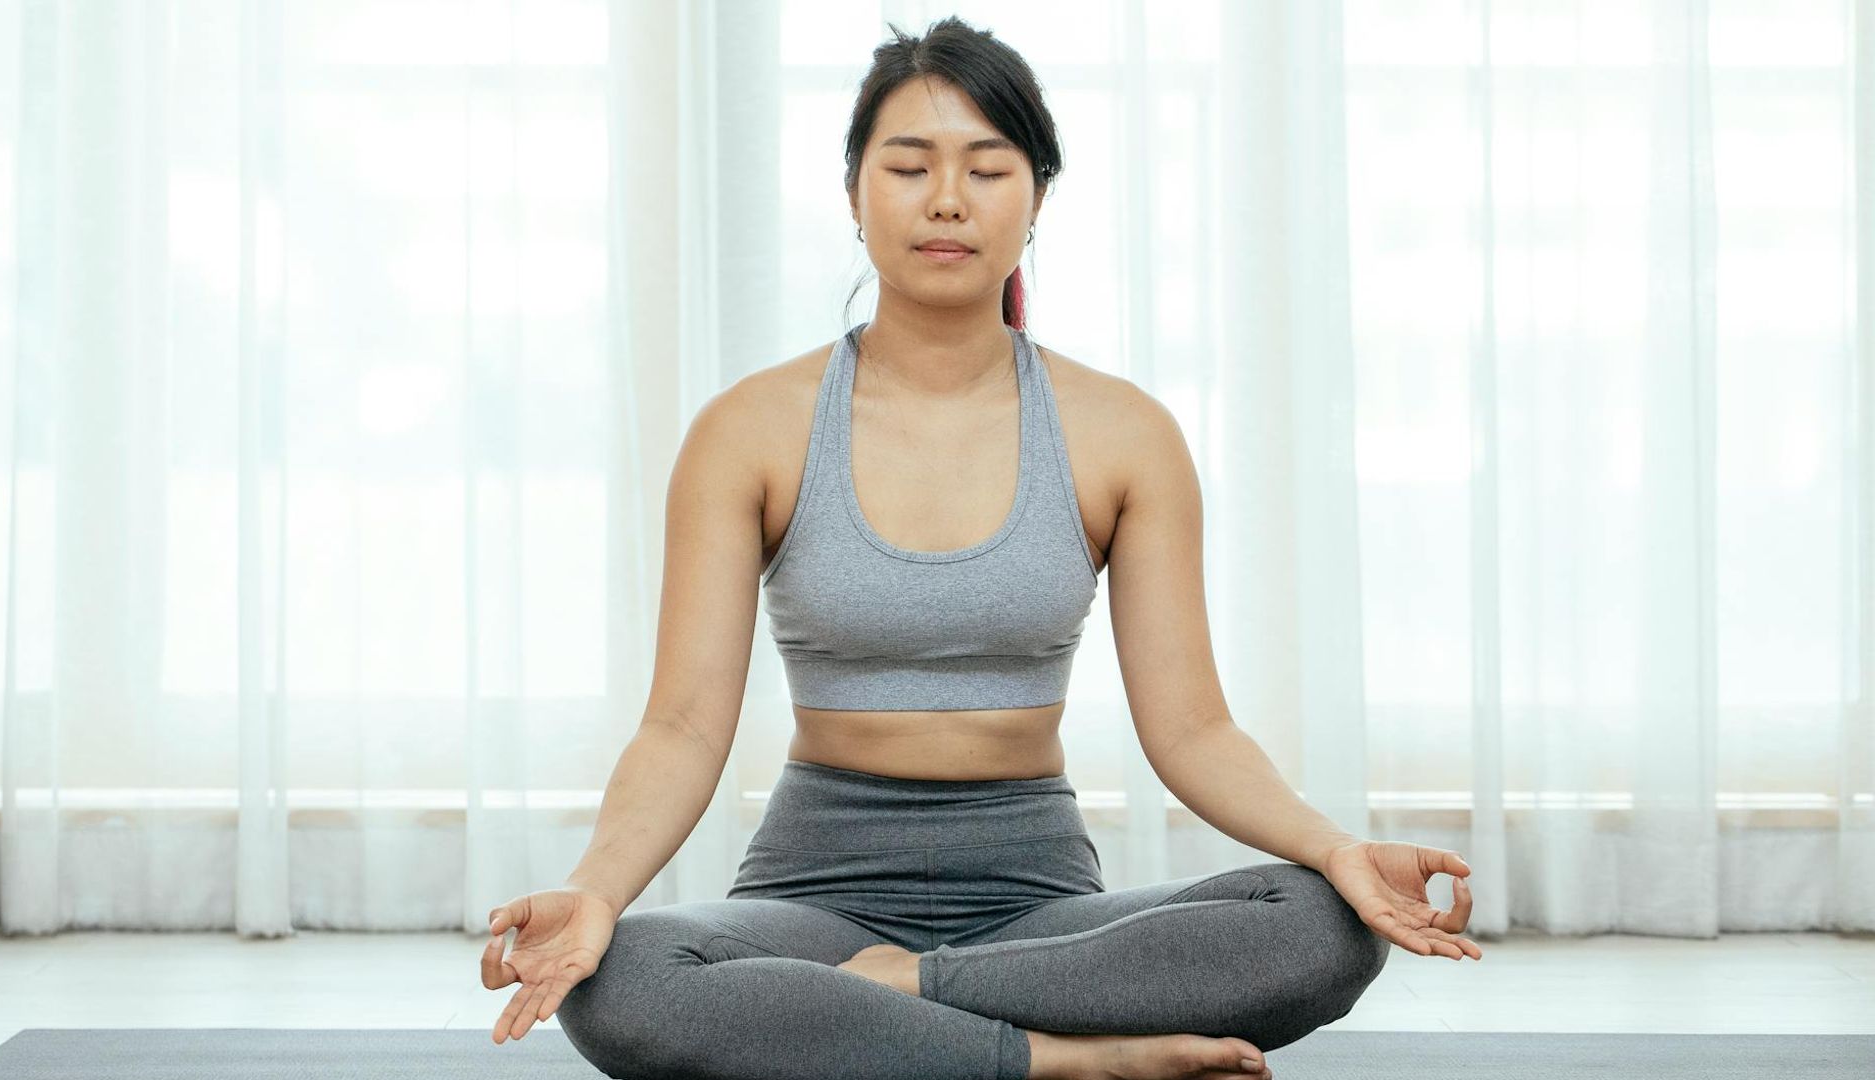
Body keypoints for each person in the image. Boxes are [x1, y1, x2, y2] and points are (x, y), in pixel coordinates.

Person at [477, 15, 1481, 1080]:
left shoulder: (1121, 432)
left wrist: (1338, 852)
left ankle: (908, 1007)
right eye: (908, 166)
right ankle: (1059, 1058)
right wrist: (594, 893)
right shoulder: (751, 429)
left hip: (1038, 903)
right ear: (855, 194)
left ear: (1037, 196)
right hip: (812, 902)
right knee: (623, 983)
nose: (947, 198)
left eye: (987, 169)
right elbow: (681, 726)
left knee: (1321, 925)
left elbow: (1193, 727)